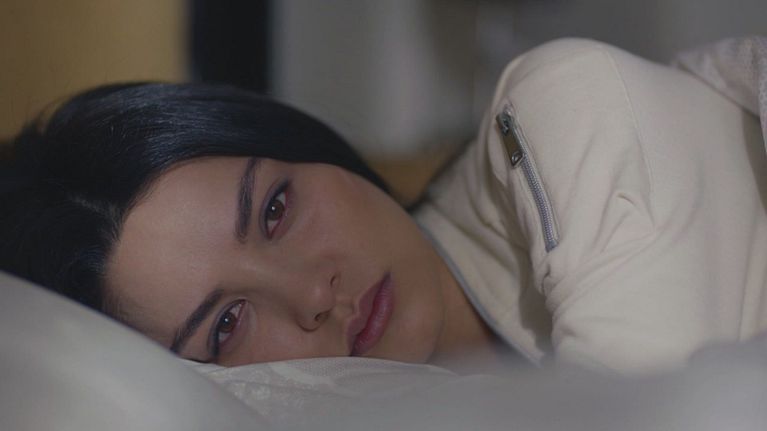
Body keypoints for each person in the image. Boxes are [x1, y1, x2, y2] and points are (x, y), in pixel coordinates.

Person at [2, 38, 766, 373]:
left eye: (274, 210)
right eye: (227, 324)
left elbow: (657, 411)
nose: (311, 292)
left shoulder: (559, 108)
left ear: (306, 147)